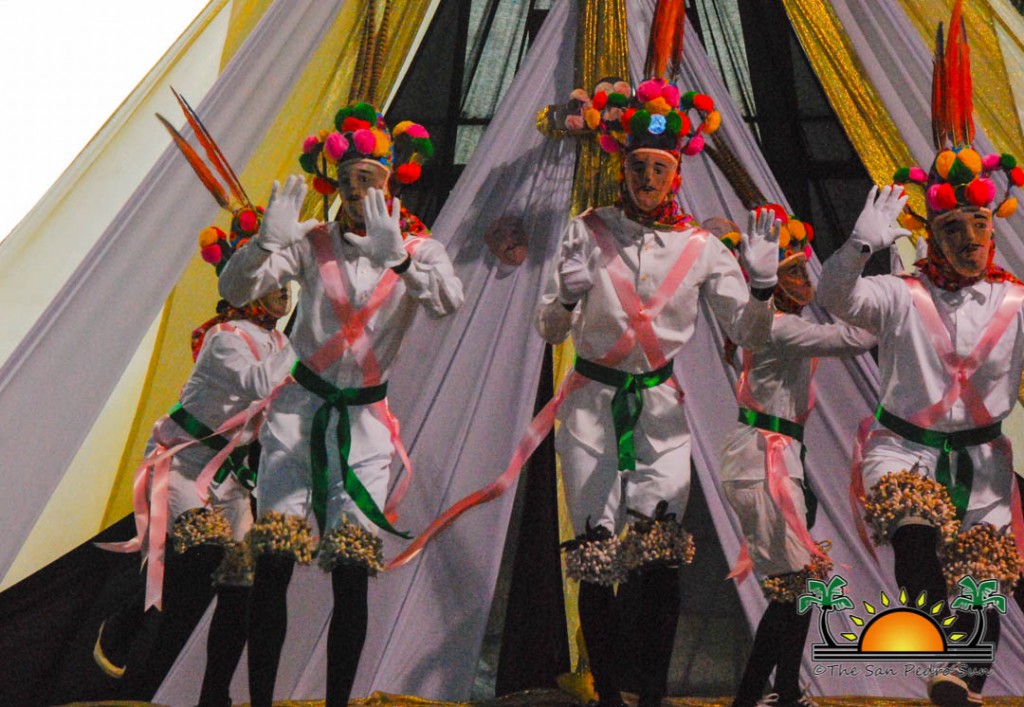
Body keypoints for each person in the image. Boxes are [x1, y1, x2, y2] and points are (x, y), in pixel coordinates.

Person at [535, 77, 780, 707]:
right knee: (595, 552)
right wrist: (567, 298)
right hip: (590, 404)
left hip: (660, 410)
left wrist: (761, 288)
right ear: (623, 168)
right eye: (638, 166)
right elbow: (548, 328)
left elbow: (747, 334)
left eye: (659, 168)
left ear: (676, 175)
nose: (647, 178)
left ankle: (650, 692)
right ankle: (608, 692)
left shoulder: (701, 248)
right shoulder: (587, 229)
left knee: (660, 553)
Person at [218, 102, 463, 707]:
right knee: (273, 563)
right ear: (335, 182)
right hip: (296, 417)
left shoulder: (419, 248)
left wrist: (399, 258)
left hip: (366, 428)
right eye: (349, 178)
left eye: (370, 178)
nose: (358, 191)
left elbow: (447, 304)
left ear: (392, 180)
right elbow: (234, 289)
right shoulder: (311, 240)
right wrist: (261, 245)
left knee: (352, 575)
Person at [818, 7, 1024, 704]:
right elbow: (835, 297)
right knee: (913, 531)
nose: (969, 239)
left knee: (983, 577)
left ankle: (961, 681)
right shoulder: (899, 294)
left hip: (983, 459)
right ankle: (939, 650)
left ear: (993, 227)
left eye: (979, 224)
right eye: (953, 228)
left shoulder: (1015, 301)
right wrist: (859, 245)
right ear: (931, 233)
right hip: (904, 449)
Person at [95, 208, 295, 707]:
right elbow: (260, 383)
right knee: (204, 559)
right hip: (181, 465)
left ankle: (212, 695)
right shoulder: (224, 338)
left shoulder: (280, 342)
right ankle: (133, 644)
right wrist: (310, 339)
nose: (286, 290)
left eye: (288, 281)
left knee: (242, 580)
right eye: (275, 280)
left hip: (228, 479)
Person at [714, 211, 875, 707]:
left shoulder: (779, 325)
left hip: (779, 459)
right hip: (763, 462)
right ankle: (759, 695)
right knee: (795, 587)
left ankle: (782, 690)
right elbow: (856, 338)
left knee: (800, 585)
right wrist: (891, 293)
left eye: (804, 269)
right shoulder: (779, 329)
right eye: (792, 272)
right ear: (772, 282)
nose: (805, 280)